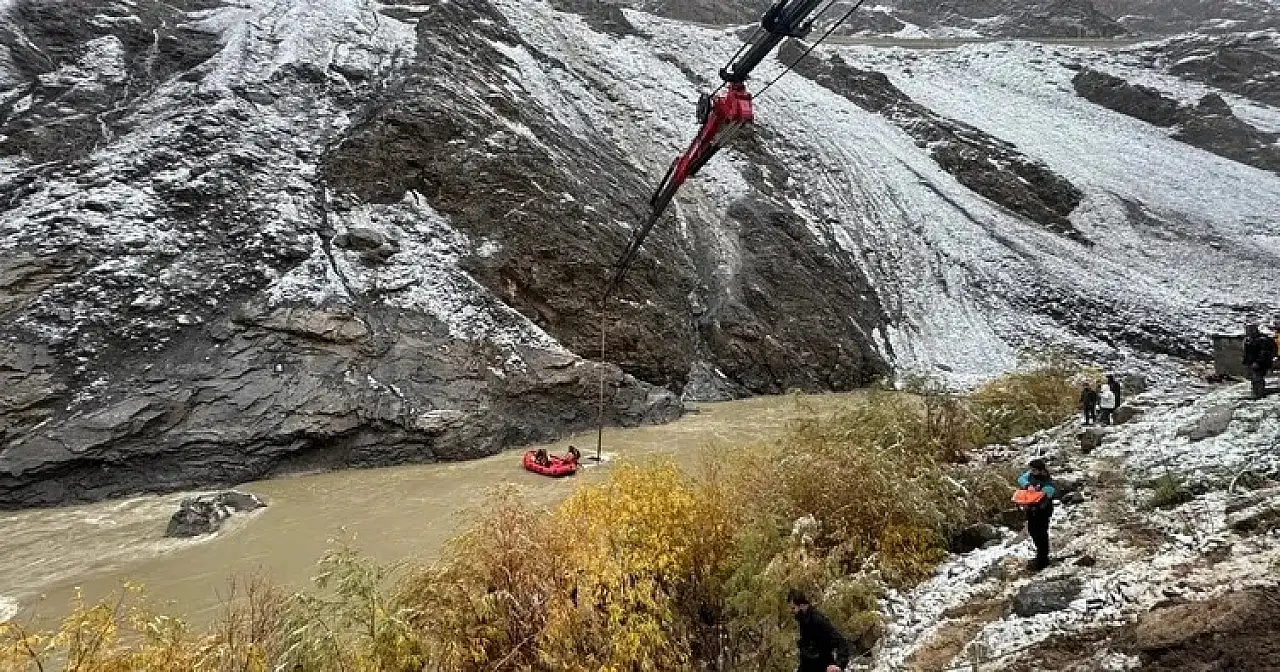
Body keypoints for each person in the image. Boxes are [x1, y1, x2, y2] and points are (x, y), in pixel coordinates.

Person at [788, 588, 851, 672]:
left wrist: (838, 665)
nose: (792, 611)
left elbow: (841, 641)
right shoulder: (803, 619)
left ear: (802, 605)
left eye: (793, 608)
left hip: (823, 666)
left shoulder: (818, 620)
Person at [1017, 459, 1057, 571]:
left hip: (1043, 511)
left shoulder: (1048, 482)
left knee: (1042, 534)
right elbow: (1021, 479)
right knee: (1032, 530)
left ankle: (1043, 558)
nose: (1031, 472)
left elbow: (1049, 492)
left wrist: (1038, 492)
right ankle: (1040, 554)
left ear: (1041, 470)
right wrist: (1028, 485)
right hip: (1031, 509)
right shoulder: (1030, 475)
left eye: (1034, 470)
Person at [1243, 322, 1277, 400]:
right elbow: (1247, 352)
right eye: (1247, 330)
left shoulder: (1262, 339)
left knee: (1258, 378)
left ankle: (1259, 394)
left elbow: (1264, 352)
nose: (1248, 332)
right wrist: (1246, 362)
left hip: (1260, 363)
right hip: (1252, 362)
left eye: (1250, 330)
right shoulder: (1248, 340)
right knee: (1253, 379)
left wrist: (1258, 362)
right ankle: (1256, 393)